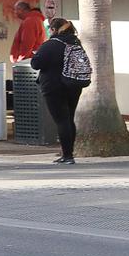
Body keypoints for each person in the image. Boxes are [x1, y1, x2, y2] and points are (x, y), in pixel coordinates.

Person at [30, 17, 90, 164]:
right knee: (69, 119)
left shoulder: (51, 44)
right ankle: (69, 153)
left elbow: (35, 64)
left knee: (61, 120)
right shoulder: (75, 43)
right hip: (73, 86)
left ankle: (67, 156)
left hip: (53, 88)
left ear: (53, 30)